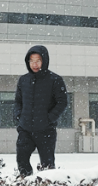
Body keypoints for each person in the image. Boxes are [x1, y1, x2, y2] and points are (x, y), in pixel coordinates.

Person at [13, 45, 69, 177]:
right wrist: (18, 117)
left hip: (46, 130)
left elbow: (62, 102)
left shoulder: (55, 80)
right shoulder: (23, 80)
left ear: (44, 60)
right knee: (22, 160)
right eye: (31, 61)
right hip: (25, 128)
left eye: (38, 60)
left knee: (47, 165)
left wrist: (49, 119)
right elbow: (18, 102)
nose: (34, 64)